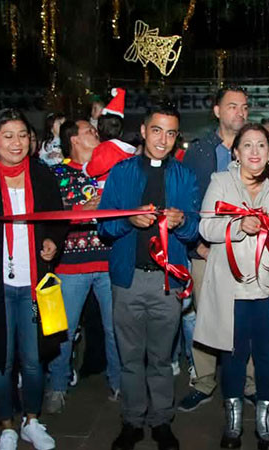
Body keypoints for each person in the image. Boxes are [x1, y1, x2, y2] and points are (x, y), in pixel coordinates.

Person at [0, 108, 66, 450]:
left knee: (34, 360)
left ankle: (32, 421)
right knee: (0, 360)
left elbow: (58, 222)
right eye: (8, 136)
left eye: (22, 135)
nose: (16, 143)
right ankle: (6, 425)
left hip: (35, 286)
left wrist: (52, 243)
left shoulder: (42, 174)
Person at [194, 123, 269, 449]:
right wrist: (237, 225)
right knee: (233, 356)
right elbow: (206, 226)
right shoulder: (220, 182)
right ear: (236, 152)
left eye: (261, 145)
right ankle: (232, 424)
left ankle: (264, 423)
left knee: (268, 357)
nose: (255, 152)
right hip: (232, 287)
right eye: (248, 145)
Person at [98, 103, 200, 450]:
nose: (163, 139)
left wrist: (183, 222)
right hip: (128, 280)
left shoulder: (185, 177)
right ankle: (131, 421)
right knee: (130, 358)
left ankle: (161, 422)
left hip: (167, 282)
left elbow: (195, 230)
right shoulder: (121, 173)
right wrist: (128, 220)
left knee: (161, 359)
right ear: (143, 131)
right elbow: (104, 226)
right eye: (157, 130)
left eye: (171, 133)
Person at [179, 85, 257, 412]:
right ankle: (204, 381)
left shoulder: (255, 147)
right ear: (217, 111)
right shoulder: (198, 152)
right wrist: (197, 246)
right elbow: (187, 202)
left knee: (249, 319)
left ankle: (250, 384)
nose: (239, 113)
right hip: (207, 252)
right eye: (232, 106)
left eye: (244, 107)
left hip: (247, 250)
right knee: (206, 319)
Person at [46, 119, 121, 413]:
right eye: (89, 131)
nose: (96, 134)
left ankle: (118, 384)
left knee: (115, 328)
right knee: (62, 331)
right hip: (69, 265)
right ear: (73, 140)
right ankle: (57, 385)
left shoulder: (111, 173)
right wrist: (82, 212)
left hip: (108, 262)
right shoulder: (55, 174)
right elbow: (48, 216)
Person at [84, 88, 137, 194]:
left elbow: (98, 165)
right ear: (121, 131)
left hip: (107, 188)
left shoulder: (107, 148)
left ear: (99, 130)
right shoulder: (126, 151)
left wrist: (86, 169)